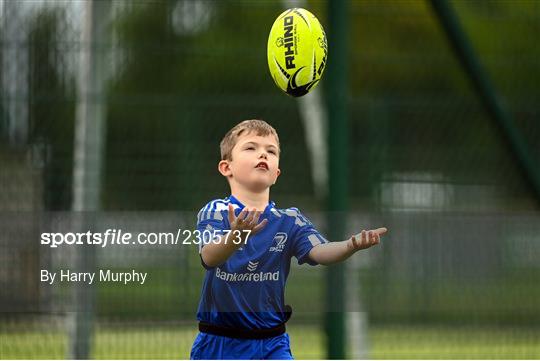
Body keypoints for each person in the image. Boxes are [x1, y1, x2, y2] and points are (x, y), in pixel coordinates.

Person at [190, 119, 387, 359]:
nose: (263, 154)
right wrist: (236, 235)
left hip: (272, 344)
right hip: (220, 343)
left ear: (277, 173)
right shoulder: (216, 211)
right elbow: (209, 257)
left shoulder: (290, 220)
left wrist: (349, 246)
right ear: (226, 167)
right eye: (251, 148)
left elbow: (321, 251)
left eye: (270, 151)